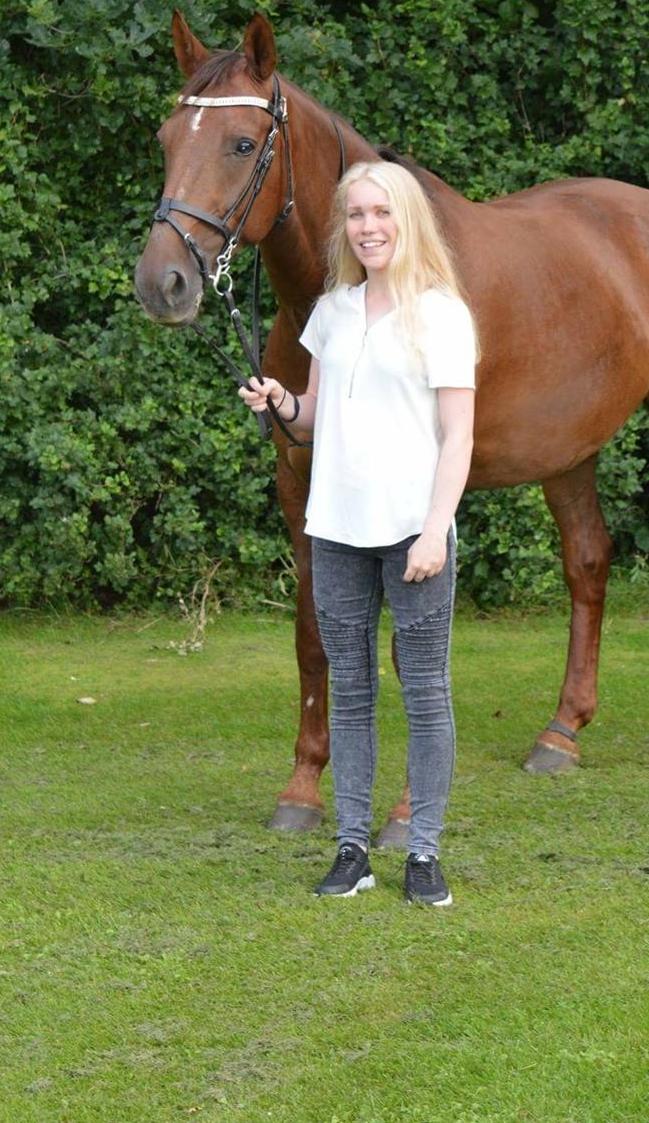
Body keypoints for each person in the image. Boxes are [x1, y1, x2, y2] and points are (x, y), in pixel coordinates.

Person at [240, 160, 477, 906]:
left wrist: (435, 530)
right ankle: (351, 853)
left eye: (382, 213)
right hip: (335, 528)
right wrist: (281, 400)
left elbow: (458, 436)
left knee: (427, 697)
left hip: (412, 532)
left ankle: (424, 856)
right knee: (349, 691)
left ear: (407, 222)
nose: (368, 227)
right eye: (355, 215)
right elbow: (316, 415)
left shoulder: (441, 313)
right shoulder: (332, 311)